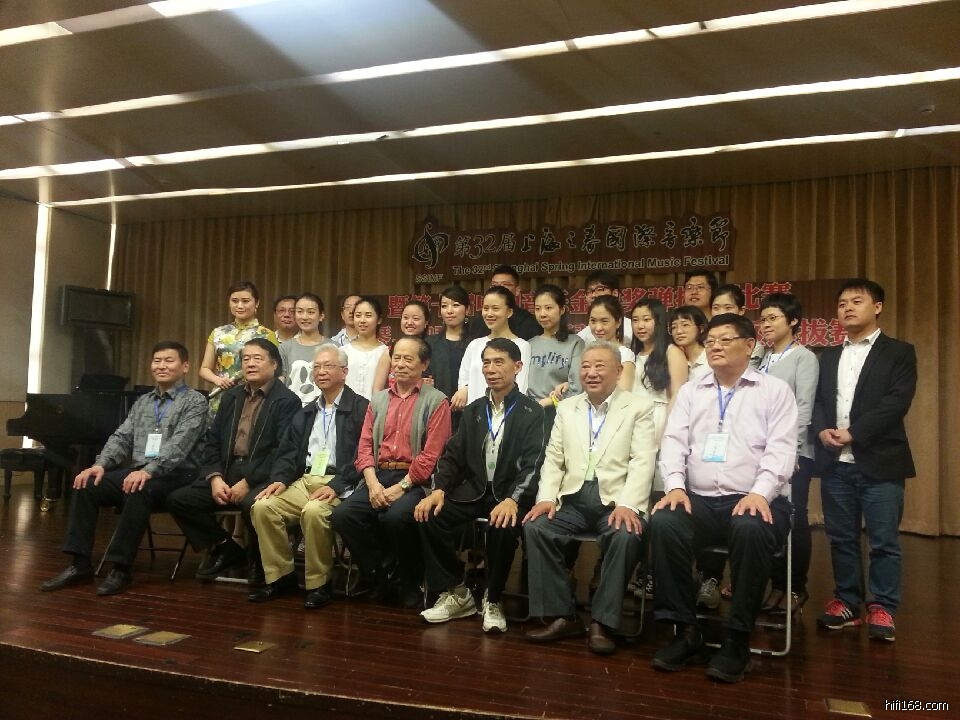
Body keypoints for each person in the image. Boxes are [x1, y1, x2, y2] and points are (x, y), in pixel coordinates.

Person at [650, 313, 798, 683]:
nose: (715, 346)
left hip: (757, 497)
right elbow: (673, 442)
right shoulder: (692, 390)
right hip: (699, 498)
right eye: (711, 340)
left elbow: (781, 450)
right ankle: (686, 630)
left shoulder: (774, 391)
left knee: (751, 527)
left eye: (725, 339)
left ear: (749, 345)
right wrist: (675, 486)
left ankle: (737, 638)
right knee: (664, 522)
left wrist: (760, 492)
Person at [40, 341, 208, 596]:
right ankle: (80, 564)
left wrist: (149, 471)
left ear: (185, 366)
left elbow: (179, 445)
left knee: (138, 488)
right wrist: (99, 465)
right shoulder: (143, 402)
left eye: (169, 360)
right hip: (140, 472)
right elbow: (121, 437)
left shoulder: (195, 402)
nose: (161, 366)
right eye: (157, 361)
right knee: (86, 485)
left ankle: (120, 568)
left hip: (177, 474)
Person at [522, 342, 657, 655]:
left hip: (616, 500)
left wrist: (628, 504)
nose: (591, 373)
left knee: (625, 535)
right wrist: (546, 498)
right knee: (537, 527)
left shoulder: (638, 407)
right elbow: (554, 458)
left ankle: (602, 622)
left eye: (599, 366)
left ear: (618, 371)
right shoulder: (567, 407)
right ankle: (562, 616)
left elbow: (643, 460)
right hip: (573, 498)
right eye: (585, 366)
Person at [416, 338, 545, 633]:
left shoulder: (531, 411)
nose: (491, 369)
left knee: (503, 525)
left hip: (510, 494)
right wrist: (438, 489)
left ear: (518, 367)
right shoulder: (474, 410)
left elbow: (534, 463)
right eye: (486, 363)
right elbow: (452, 455)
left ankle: (494, 598)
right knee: (428, 515)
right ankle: (457, 592)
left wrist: (513, 499)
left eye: (499, 362)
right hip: (474, 491)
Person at [813, 279, 916, 642]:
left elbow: (896, 402)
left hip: (881, 461)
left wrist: (855, 433)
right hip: (836, 463)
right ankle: (846, 602)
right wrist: (822, 429)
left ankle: (883, 607)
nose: (847, 308)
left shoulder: (899, 352)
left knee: (883, 541)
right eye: (842, 303)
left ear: (878, 307)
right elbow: (819, 401)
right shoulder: (828, 355)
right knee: (841, 538)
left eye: (857, 301)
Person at [166, 338, 300, 583]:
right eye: (245, 359)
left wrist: (248, 481)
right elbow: (213, 441)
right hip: (227, 471)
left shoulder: (287, 401)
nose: (250, 363)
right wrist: (215, 478)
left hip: (261, 474)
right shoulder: (231, 397)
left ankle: (260, 564)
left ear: (274, 365)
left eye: (257, 358)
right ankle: (226, 548)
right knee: (180, 500)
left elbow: (282, 450)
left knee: (253, 505)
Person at [330, 336, 452, 607]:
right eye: (397, 358)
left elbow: (431, 456)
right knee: (343, 515)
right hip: (379, 475)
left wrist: (401, 487)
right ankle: (380, 575)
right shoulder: (378, 400)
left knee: (395, 517)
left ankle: (409, 581)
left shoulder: (437, 401)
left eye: (409, 359)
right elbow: (364, 448)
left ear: (424, 364)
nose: (401, 364)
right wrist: (373, 485)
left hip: (416, 480)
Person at [248, 344, 368, 607]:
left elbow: (363, 455)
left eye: (328, 366)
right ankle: (280, 577)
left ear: (344, 372)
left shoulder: (360, 408)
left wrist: (337, 485)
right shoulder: (307, 411)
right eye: (317, 367)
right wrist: (280, 479)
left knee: (314, 512)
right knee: (263, 507)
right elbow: (288, 452)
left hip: (341, 482)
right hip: (306, 479)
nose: (321, 371)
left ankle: (319, 584)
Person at [754, 293, 818, 614]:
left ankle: (795, 587)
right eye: (763, 319)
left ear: (793, 321)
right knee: (766, 517)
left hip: (792, 452)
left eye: (773, 318)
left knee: (795, 517)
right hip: (758, 452)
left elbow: (804, 407)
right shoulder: (761, 357)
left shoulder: (803, 357)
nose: (765, 324)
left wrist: (792, 451)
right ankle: (775, 584)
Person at [199, 280, 278, 417]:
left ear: (257, 303)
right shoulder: (218, 333)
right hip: (221, 396)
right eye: (234, 301)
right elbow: (204, 369)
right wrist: (218, 380)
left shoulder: (267, 335)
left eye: (245, 301)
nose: (240, 305)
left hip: (253, 397)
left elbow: (275, 371)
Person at [454, 286, 532, 408]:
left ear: (509, 312)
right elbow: (463, 380)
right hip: (476, 414)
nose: (489, 314)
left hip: (506, 413)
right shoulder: (474, 345)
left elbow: (521, 386)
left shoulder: (522, 346)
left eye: (495, 308)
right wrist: (464, 389)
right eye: (486, 308)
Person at [528, 284, 584, 413]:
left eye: (548, 308)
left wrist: (549, 401)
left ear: (562, 309)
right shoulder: (529, 344)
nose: (542, 314)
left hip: (563, 411)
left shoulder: (575, 343)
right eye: (537, 309)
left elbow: (577, 386)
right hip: (530, 411)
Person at [465, 265, 540, 341]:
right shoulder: (478, 321)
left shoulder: (529, 322)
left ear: (517, 290)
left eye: (505, 285)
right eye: (494, 285)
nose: (499, 289)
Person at [279, 292, 327, 405]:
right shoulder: (285, 348)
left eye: (310, 312)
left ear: (321, 316)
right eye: (300, 311)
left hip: (324, 410)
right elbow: (280, 384)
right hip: (292, 409)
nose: (304, 317)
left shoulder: (334, 347)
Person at [425, 285, 471, 401]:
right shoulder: (430, 343)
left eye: (456, 305)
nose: (449, 311)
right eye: (444, 306)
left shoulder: (475, 344)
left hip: (470, 405)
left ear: (467, 310)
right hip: (437, 404)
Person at [342, 296, 390, 400]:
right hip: (346, 408)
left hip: (375, 407)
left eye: (368, 315)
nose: (362, 320)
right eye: (358, 315)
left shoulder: (386, 352)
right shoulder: (343, 351)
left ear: (379, 319)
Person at [586, 295, 635, 391]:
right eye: (593, 321)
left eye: (604, 321)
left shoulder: (624, 355)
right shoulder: (588, 352)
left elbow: (623, 393)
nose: (598, 328)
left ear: (618, 322)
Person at [577, 271, 633, 345]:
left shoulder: (632, 329)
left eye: (599, 289)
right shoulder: (582, 337)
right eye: (589, 291)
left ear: (615, 293)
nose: (593, 295)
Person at [670, 305, 709, 385]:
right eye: (674, 327)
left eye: (685, 325)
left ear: (701, 328)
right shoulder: (674, 359)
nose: (679, 331)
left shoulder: (710, 357)